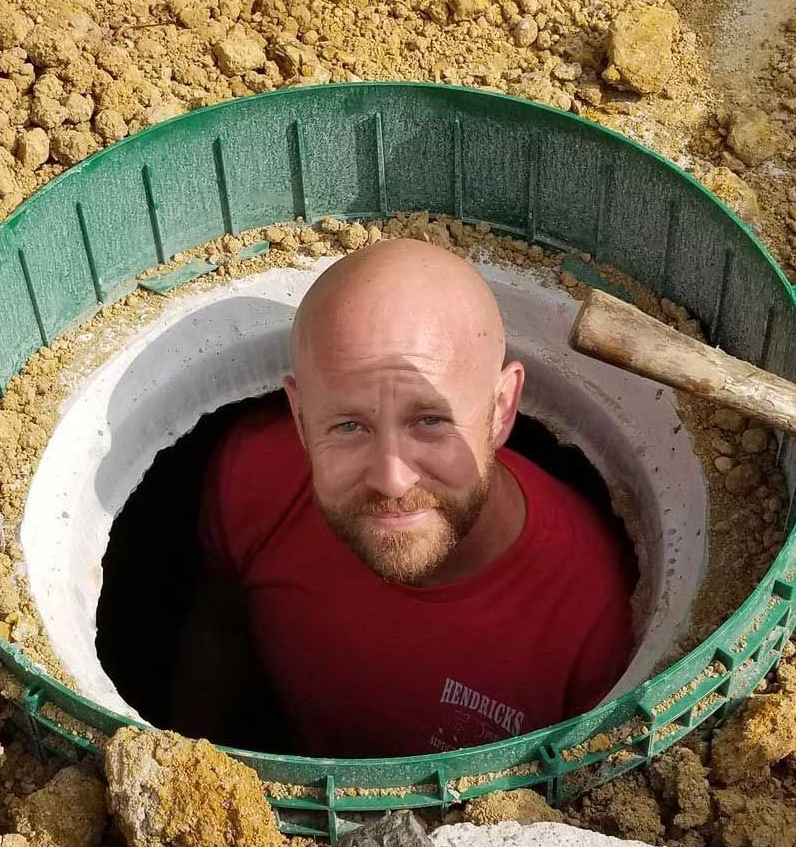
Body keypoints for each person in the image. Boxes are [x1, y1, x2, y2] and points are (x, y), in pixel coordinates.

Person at [172, 238, 637, 758]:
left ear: (502, 409)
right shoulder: (254, 477)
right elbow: (220, 630)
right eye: (350, 425)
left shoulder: (590, 613)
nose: (391, 479)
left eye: (430, 421)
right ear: (301, 419)